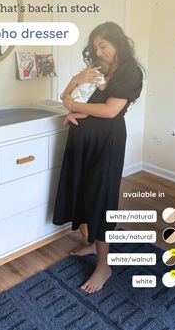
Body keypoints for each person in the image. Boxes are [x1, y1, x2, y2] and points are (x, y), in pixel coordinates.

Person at [53, 21, 143, 293]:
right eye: (95, 47)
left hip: (107, 139)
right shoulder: (96, 69)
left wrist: (73, 106)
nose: (99, 51)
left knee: (100, 196)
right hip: (82, 136)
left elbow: (108, 111)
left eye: (103, 45)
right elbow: (66, 95)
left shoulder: (130, 72)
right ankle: (93, 243)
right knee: (82, 190)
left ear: (118, 43)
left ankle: (104, 265)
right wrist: (75, 84)